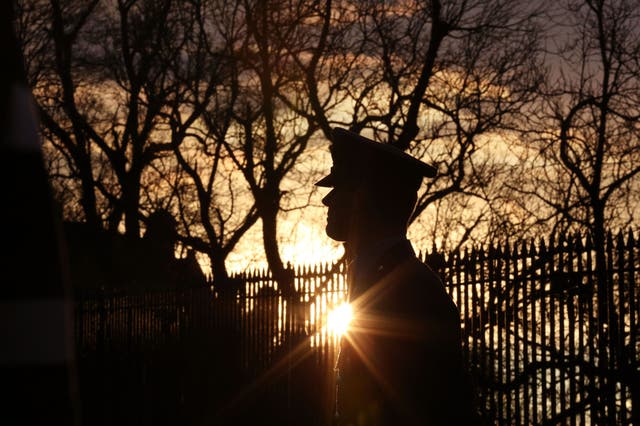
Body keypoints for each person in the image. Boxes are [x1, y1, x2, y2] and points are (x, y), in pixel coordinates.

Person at [317, 128, 478, 425]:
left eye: (342, 188)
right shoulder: (380, 280)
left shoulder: (411, 290)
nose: (329, 201)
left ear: (367, 197)